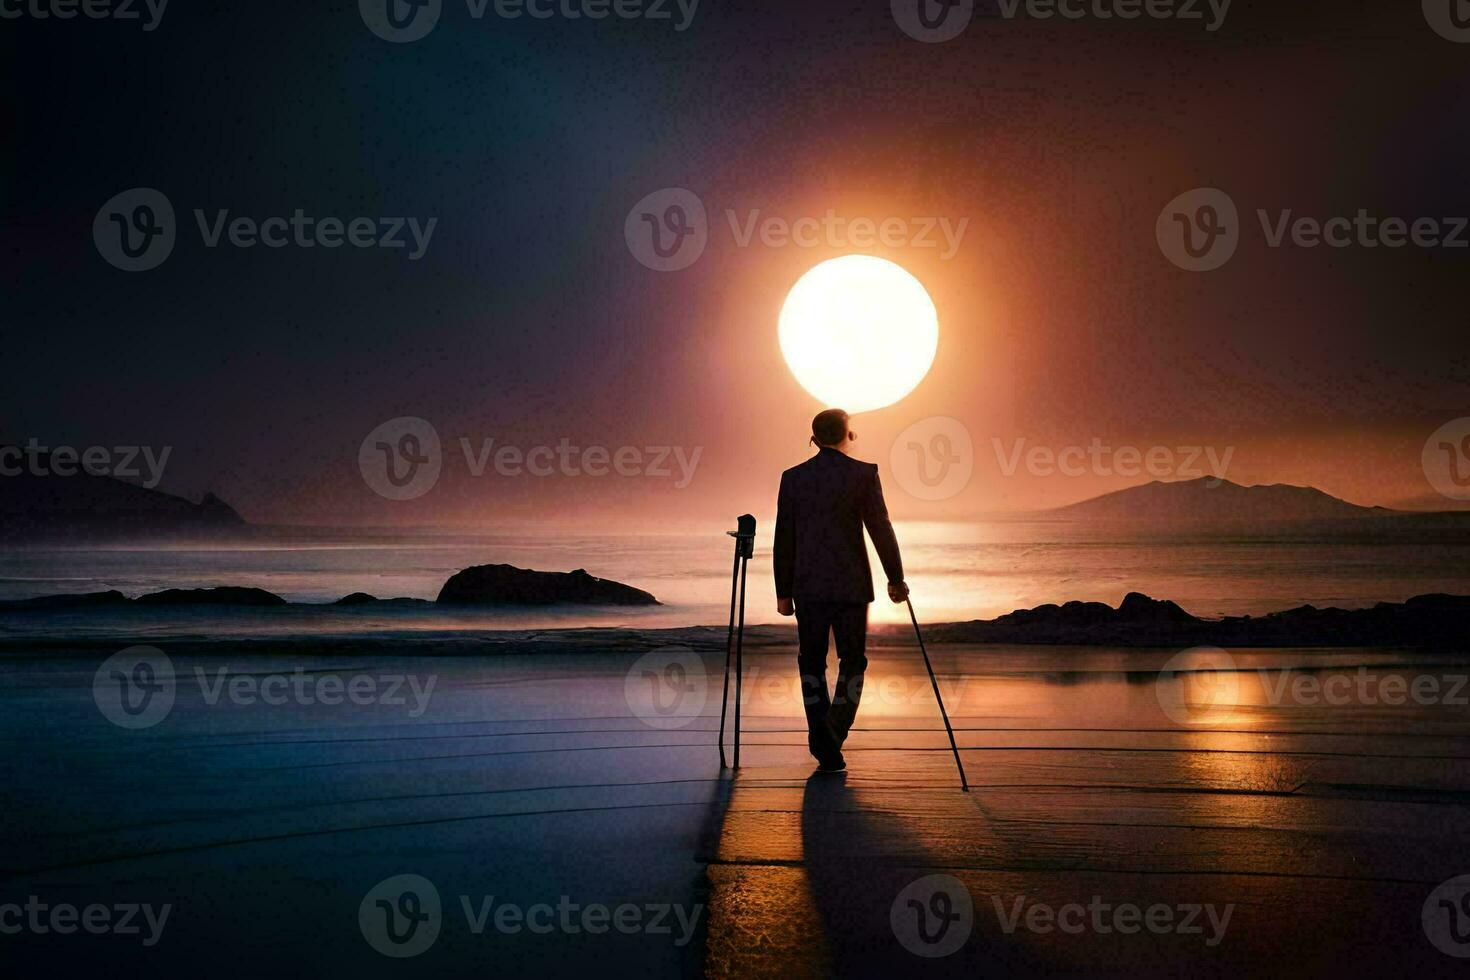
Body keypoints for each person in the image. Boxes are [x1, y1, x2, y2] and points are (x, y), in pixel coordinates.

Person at [773, 408, 907, 773]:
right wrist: (895, 578)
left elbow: (784, 537)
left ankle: (824, 737)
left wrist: (783, 592)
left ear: (814, 439)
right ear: (848, 435)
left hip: (809, 587)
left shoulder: (794, 478)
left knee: (811, 663)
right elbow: (881, 528)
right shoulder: (863, 474)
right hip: (851, 587)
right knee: (853, 662)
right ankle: (832, 732)